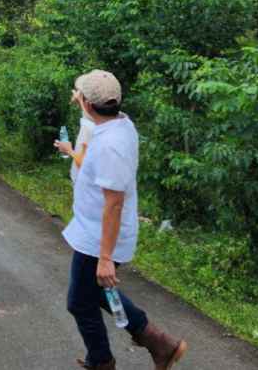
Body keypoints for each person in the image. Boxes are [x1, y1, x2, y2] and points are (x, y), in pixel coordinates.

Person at [62, 70, 188, 370]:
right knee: (98, 293)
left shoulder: (111, 144)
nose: (76, 97)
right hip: (93, 230)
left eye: (79, 95)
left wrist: (105, 258)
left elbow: (114, 204)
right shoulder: (118, 124)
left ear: (88, 104)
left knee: (79, 301)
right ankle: (160, 344)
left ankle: (104, 361)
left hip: (100, 238)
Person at [54, 88, 95, 183]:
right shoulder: (112, 121)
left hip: (87, 188)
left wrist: (69, 150)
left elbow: (86, 165)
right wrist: (80, 100)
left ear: (89, 103)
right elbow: (88, 114)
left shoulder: (90, 128)